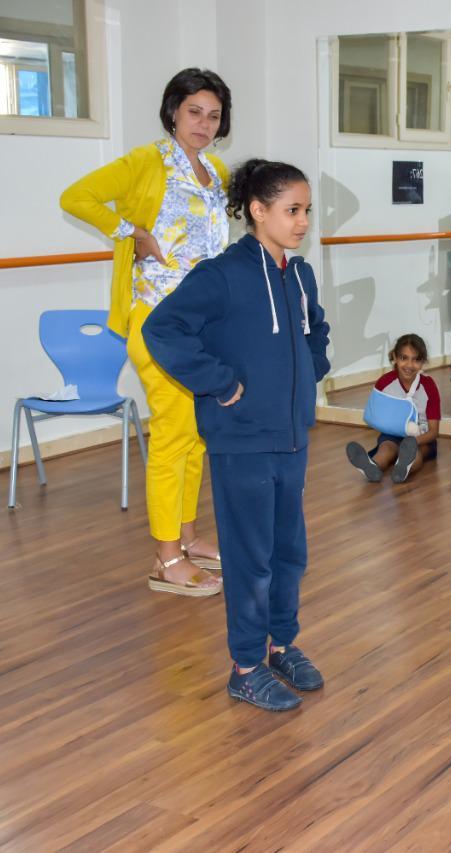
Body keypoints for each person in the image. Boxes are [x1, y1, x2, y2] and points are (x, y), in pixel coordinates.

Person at [142, 159, 331, 711]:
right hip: (241, 440)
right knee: (251, 559)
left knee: (289, 552)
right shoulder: (220, 275)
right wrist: (219, 384)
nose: (302, 223)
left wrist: (312, 368)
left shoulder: (298, 275)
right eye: (292, 211)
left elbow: (314, 327)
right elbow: (163, 329)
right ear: (258, 210)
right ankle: (245, 665)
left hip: (291, 435)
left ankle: (280, 645)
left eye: (306, 212)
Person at [60, 68, 233, 596]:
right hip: (158, 320)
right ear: (173, 112)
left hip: (202, 323)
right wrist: (130, 232)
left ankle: (186, 537)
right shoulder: (146, 162)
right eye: (194, 112)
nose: (203, 124)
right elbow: (77, 197)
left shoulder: (215, 170)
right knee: (172, 437)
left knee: (196, 436)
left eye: (214, 115)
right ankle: (165, 559)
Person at [346, 333, 442, 484]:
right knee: (386, 449)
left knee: (416, 453)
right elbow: (375, 417)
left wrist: (412, 441)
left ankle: (403, 468)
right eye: (404, 358)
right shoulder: (384, 383)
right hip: (391, 434)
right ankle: (372, 467)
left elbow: (433, 431)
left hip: (420, 438)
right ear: (395, 358)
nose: (409, 365)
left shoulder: (428, 386)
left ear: (423, 362)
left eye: (416, 359)